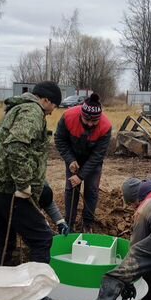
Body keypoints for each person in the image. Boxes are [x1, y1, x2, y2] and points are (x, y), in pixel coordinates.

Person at [0, 81, 63, 300]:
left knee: (6, 238)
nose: (53, 111)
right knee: (42, 238)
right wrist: (24, 184)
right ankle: (36, 296)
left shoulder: (15, 109)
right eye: (54, 105)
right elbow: (16, 145)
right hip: (7, 185)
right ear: (45, 100)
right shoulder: (32, 112)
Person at [0, 181, 69, 276]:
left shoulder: (36, 177)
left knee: (39, 230)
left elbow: (46, 198)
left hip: (13, 185)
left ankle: (3, 274)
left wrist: (60, 221)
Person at [54, 93, 112, 232]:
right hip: (73, 157)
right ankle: (69, 223)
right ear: (81, 114)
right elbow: (60, 140)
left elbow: (98, 155)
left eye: (94, 122)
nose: (90, 124)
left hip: (93, 160)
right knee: (71, 189)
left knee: (91, 191)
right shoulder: (68, 117)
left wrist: (81, 176)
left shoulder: (105, 126)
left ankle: (87, 224)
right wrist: (70, 160)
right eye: (86, 120)